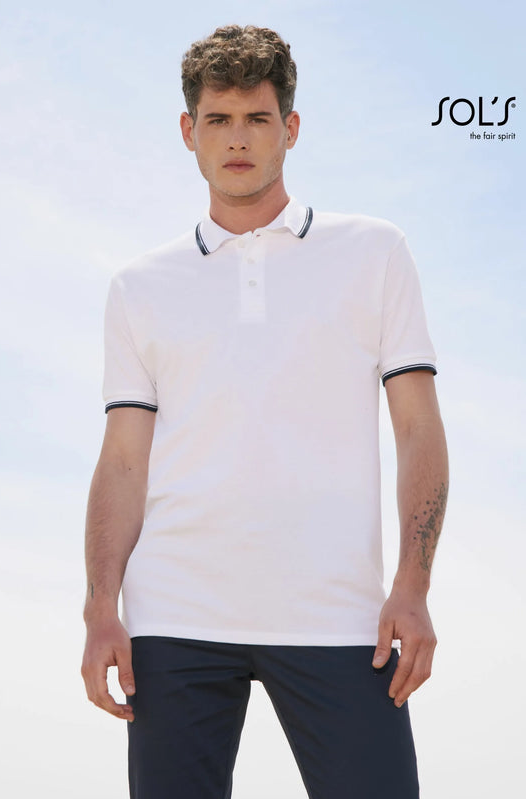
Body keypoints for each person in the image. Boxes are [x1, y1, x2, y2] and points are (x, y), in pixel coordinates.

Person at [81, 24, 448, 799]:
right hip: (175, 617)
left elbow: (417, 429)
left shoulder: (375, 252)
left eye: (257, 117)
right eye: (218, 119)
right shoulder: (139, 286)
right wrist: (100, 607)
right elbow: (122, 460)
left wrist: (412, 585)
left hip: (340, 616)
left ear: (291, 127)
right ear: (189, 131)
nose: (238, 138)